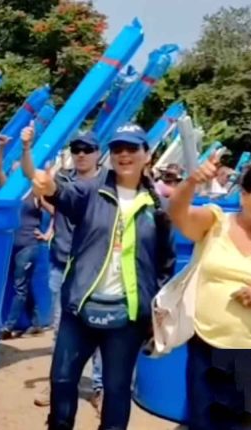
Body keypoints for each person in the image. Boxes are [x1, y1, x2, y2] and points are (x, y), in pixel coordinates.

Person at [32, 124, 176, 430]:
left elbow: (166, 262)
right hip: (80, 307)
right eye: (117, 149)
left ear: (146, 155)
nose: (124, 155)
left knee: (116, 389)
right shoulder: (90, 190)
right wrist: (46, 185)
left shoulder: (159, 207)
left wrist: (155, 307)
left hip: (128, 315)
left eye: (132, 149)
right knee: (62, 380)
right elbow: (61, 194)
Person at [168, 158, 251, 430]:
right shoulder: (215, 221)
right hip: (208, 347)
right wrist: (192, 181)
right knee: (203, 424)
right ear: (244, 196)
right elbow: (177, 212)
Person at [30, 131, 106, 410]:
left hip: (98, 268)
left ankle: (100, 388)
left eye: (87, 149)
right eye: (77, 149)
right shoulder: (61, 180)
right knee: (62, 330)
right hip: (62, 265)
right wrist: (27, 147)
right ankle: (58, 384)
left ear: (98, 152)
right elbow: (37, 182)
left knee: (102, 328)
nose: (82, 154)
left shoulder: (109, 183)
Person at [0, 122, 53, 339]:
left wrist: (48, 233)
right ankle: (37, 321)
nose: (15, 172)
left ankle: (8, 327)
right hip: (12, 244)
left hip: (28, 245)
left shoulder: (35, 193)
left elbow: (57, 209)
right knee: (22, 285)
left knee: (20, 286)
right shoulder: (10, 192)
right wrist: (1, 148)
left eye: (19, 169)